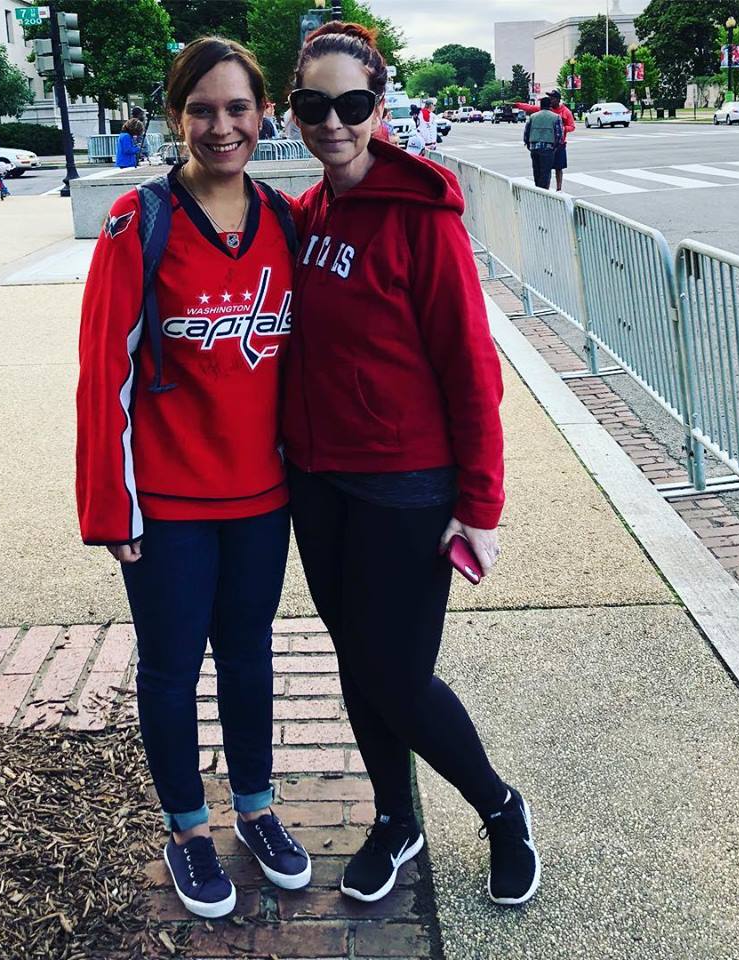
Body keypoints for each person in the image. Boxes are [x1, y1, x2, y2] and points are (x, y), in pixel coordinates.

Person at [285, 21, 540, 908]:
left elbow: (470, 366)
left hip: (404, 486)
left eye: (351, 105)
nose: (332, 123)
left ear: (379, 108)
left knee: (396, 672)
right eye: (313, 106)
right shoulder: (308, 213)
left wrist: (481, 504)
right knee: (358, 665)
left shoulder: (420, 214)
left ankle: (500, 808)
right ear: (297, 110)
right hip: (317, 487)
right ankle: (397, 817)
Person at [77, 36, 311, 921]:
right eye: (203, 109)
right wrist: (111, 503)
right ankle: (185, 828)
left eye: (239, 108)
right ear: (176, 116)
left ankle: (256, 807)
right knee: (172, 671)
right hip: (167, 505)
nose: (223, 126)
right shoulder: (141, 225)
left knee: (250, 656)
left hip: (262, 499)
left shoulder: (285, 222)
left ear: (264, 115)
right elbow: (105, 374)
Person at [515, 88, 575, 191]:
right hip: (548, 144)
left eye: (552, 98)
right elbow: (530, 107)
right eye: (550, 98)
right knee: (543, 169)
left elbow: (572, 127)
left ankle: (558, 188)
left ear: (558, 99)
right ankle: (542, 189)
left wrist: (562, 129)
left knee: (558, 168)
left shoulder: (565, 112)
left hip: (559, 144)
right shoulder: (545, 110)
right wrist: (518, 105)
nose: (551, 100)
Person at [523, 95, 563, 189]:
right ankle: (543, 191)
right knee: (546, 171)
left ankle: (537, 188)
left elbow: (526, 132)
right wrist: (555, 146)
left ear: (540, 106)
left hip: (534, 147)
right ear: (550, 106)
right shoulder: (556, 117)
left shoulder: (533, 116)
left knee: (537, 171)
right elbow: (559, 134)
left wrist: (528, 144)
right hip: (548, 147)